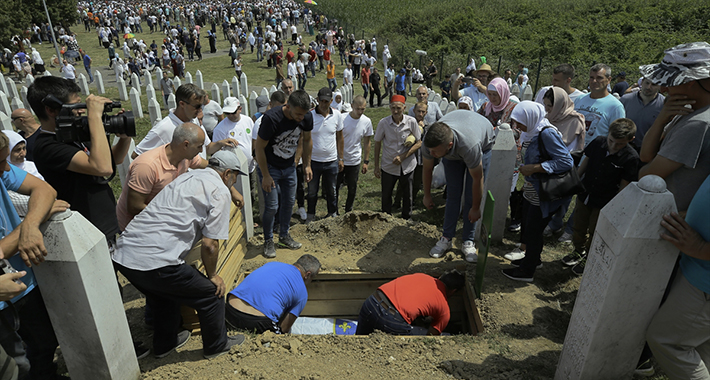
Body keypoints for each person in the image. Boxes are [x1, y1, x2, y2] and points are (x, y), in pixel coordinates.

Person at [112, 150, 247, 360]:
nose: (235, 181)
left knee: (163, 295)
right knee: (211, 295)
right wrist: (213, 276)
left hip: (125, 255)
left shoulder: (187, 176)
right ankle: (217, 346)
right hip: (158, 260)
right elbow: (210, 245)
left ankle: (165, 344)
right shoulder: (219, 190)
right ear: (227, 173)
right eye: (236, 176)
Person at [0, 130, 64, 380]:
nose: (7, 169)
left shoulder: (3, 172)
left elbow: (45, 190)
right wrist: (34, 220)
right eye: (0, 162)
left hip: (23, 282)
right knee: (16, 364)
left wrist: (30, 225)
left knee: (45, 341)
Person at [501, 101, 574, 282]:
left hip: (543, 191)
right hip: (532, 187)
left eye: (520, 121)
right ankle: (533, 259)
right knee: (528, 225)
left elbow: (566, 161)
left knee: (534, 230)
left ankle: (527, 271)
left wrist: (534, 168)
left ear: (531, 117)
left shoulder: (547, 133)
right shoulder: (530, 131)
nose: (517, 126)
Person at [646, 173, 710, 379]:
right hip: (697, 271)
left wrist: (702, 248)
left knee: (667, 342)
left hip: (704, 283)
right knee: (700, 348)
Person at [639, 42, 710, 213]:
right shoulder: (685, 112)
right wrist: (661, 119)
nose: (664, 88)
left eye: (669, 82)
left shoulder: (698, 123)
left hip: (671, 223)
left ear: (690, 81)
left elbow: (645, 176)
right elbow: (646, 156)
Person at [561, 119, 639, 275]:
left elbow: (624, 186)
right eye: (611, 141)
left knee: (596, 230)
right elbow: (585, 162)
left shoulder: (631, 158)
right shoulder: (598, 142)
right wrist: (575, 181)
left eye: (619, 144)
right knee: (578, 224)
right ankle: (578, 250)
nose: (613, 146)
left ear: (631, 140)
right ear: (607, 134)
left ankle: (589, 257)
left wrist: (615, 207)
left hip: (605, 201)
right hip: (586, 193)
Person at [422, 110, 495, 262]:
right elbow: (427, 168)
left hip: (482, 141)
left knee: (469, 195)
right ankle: (446, 238)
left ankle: (468, 241)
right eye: (430, 150)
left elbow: (477, 178)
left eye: (434, 151)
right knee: (453, 194)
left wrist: (475, 208)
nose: (431, 153)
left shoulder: (470, 146)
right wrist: (427, 195)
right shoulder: (430, 143)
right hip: (457, 138)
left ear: (449, 146)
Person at [115, 122, 207, 231]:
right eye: (199, 146)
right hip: (137, 228)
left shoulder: (186, 156)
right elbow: (134, 207)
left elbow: (206, 165)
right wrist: (173, 217)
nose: (201, 151)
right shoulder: (147, 166)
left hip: (162, 217)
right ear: (185, 145)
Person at [254, 90, 313, 258]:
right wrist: (265, 175)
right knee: (272, 206)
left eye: (304, 114)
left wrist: (307, 165)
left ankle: (284, 236)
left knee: (288, 203)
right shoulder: (271, 119)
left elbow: (307, 140)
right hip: (270, 167)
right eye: (298, 114)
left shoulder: (306, 117)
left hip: (289, 167)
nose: (301, 118)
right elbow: (258, 148)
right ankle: (268, 240)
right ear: (288, 106)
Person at [134, 84, 236, 160]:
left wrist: (220, 143)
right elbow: (137, 156)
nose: (201, 110)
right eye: (197, 106)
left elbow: (207, 148)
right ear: (182, 104)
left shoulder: (194, 120)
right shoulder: (164, 128)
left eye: (202, 106)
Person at [226, 254, 320, 334]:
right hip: (256, 322)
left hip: (229, 310)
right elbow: (284, 328)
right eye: (313, 278)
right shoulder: (302, 294)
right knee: (278, 337)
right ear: (307, 275)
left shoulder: (272, 264)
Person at [355, 270, 465, 336]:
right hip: (390, 319)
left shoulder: (421, 276)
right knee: (417, 337)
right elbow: (430, 337)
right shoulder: (444, 310)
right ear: (454, 291)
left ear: (440, 277)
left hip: (371, 302)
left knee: (359, 341)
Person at [373, 94, 421, 220]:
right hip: (389, 165)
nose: (395, 111)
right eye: (393, 108)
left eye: (398, 108)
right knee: (386, 193)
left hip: (408, 165)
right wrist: (376, 166)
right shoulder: (383, 123)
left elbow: (419, 142)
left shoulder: (411, 122)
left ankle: (407, 217)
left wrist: (403, 156)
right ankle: (385, 217)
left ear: (404, 108)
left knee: (407, 194)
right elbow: (377, 143)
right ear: (389, 107)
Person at [306, 88, 344, 222]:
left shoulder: (337, 115)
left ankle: (332, 214)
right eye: (321, 101)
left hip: (331, 160)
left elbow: (340, 137)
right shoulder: (310, 116)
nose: (323, 104)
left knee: (332, 190)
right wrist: (307, 164)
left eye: (326, 101)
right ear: (317, 100)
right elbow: (305, 139)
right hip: (314, 161)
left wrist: (341, 158)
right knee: (312, 191)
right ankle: (310, 215)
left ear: (331, 101)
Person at [574, 64, 626, 146]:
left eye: (599, 78)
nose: (594, 81)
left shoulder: (615, 106)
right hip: (573, 151)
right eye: (591, 77)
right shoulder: (580, 99)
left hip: (596, 155)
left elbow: (617, 137)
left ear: (608, 80)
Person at [337, 96, 373, 214]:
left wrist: (366, 161)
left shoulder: (366, 121)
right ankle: (334, 210)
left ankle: (348, 210)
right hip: (339, 158)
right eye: (358, 109)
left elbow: (367, 142)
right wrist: (339, 157)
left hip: (354, 159)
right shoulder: (342, 118)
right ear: (352, 106)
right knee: (335, 187)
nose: (360, 112)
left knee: (352, 188)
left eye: (363, 109)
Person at [213, 97, 256, 182]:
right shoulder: (220, 128)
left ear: (240, 109)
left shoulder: (248, 120)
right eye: (227, 113)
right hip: (232, 170)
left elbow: (253, 139)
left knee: (251, 190)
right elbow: (216, 151)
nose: (230, 116)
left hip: (251, 166)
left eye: (233, 112)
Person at [619, 76, 665, 150]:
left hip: (648, 149)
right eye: (647, 83)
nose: (648, 87)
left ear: (660, 86)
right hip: (623, 147)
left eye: (653, 85)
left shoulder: (664, 105)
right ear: (642, 82)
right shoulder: (625, 100)